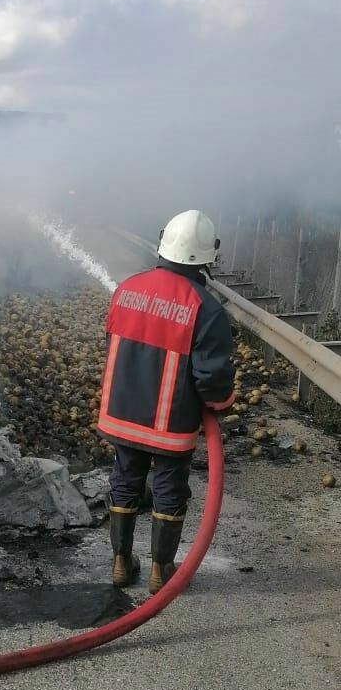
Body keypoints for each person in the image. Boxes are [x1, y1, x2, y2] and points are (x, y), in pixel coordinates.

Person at [98, 210, 235, 593]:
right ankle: (162, 571)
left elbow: (112, 345)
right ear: (210, 255)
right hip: (170, 424)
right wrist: (221, 404)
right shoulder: (205, 309)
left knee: (125, 481)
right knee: (169, 489)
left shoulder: (127, 288)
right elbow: (212, 378)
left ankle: (121, 563)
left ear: (162, 242)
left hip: (122, 413)